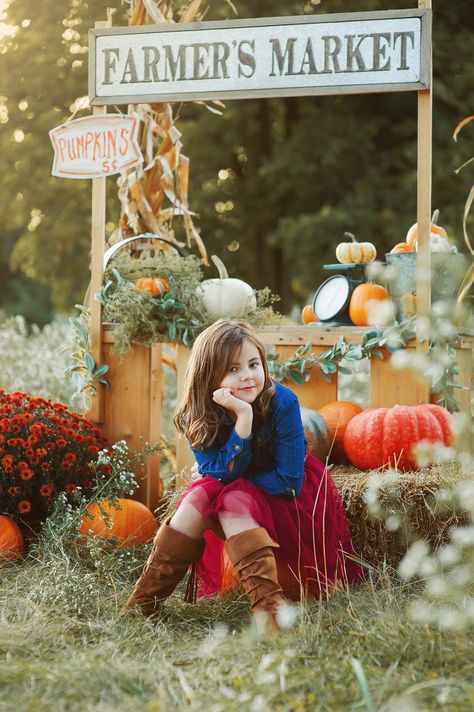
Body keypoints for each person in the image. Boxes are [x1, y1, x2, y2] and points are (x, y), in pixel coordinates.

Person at [126, 320, 363, 629]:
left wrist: (247, 421)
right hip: (234, 493)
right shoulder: (197, 412)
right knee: (200, 495)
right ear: (209, 376)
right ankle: (143, 604)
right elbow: (217, 472)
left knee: (232, 497)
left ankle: (270, 615)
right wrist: (243, 421)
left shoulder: (283, 402)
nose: (248, 375)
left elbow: (288, 482)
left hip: (287, 500)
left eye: (253, 364)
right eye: (233, 369)